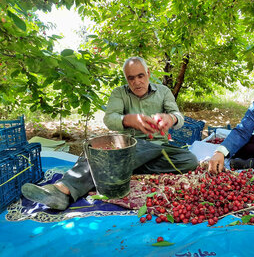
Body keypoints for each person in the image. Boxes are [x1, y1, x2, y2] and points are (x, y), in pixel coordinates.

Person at [22, 57, 198, 210]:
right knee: (121, 152)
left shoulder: (164, 92)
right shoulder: (119, 93)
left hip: (159, 148)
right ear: (126, 79)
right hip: (127, 146)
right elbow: (109, 118)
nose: (137, 82)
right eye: (131, 78)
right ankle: (63, 189)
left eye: (140, 76)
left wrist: (170, 119)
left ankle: (123, 167)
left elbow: (177, 116)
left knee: (189, 160)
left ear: (148, 73)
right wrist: (128, 120)